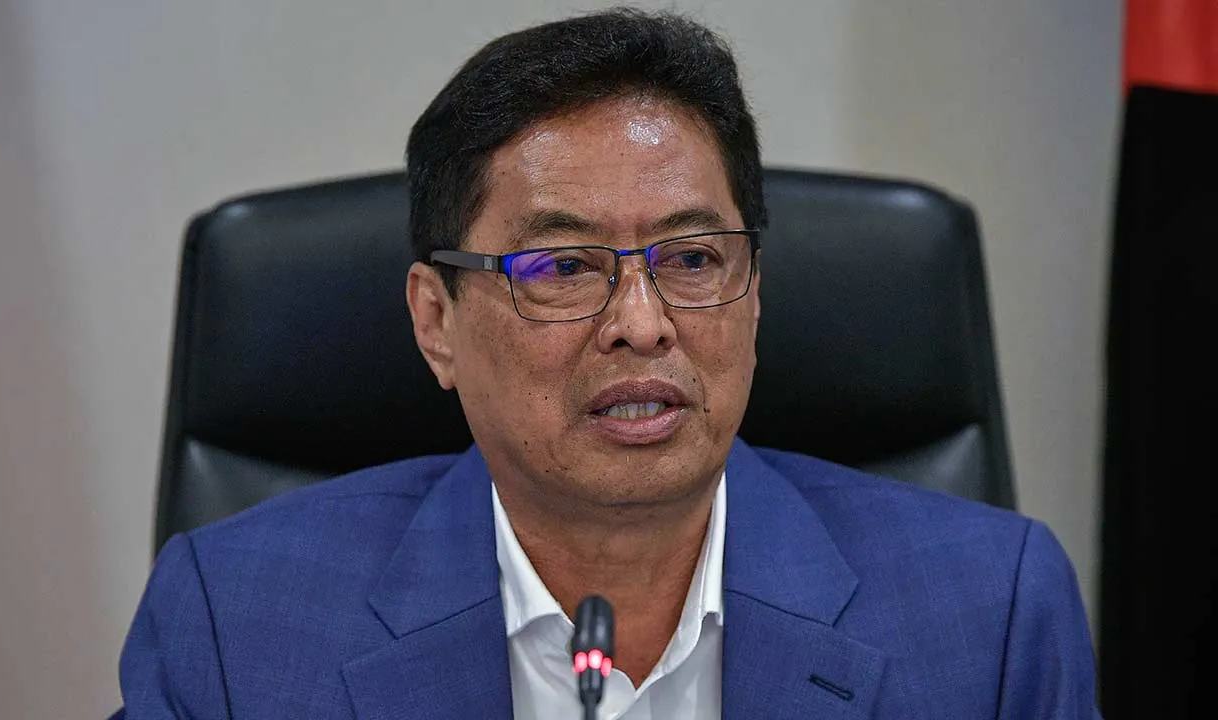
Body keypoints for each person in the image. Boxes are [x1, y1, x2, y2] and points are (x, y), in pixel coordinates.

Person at [118, 8, 1101, 719]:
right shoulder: (238, 627)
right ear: (435, 322)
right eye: (562, 267)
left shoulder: (990, 615)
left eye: (691, 259)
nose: (642, 324)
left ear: (754, 292)